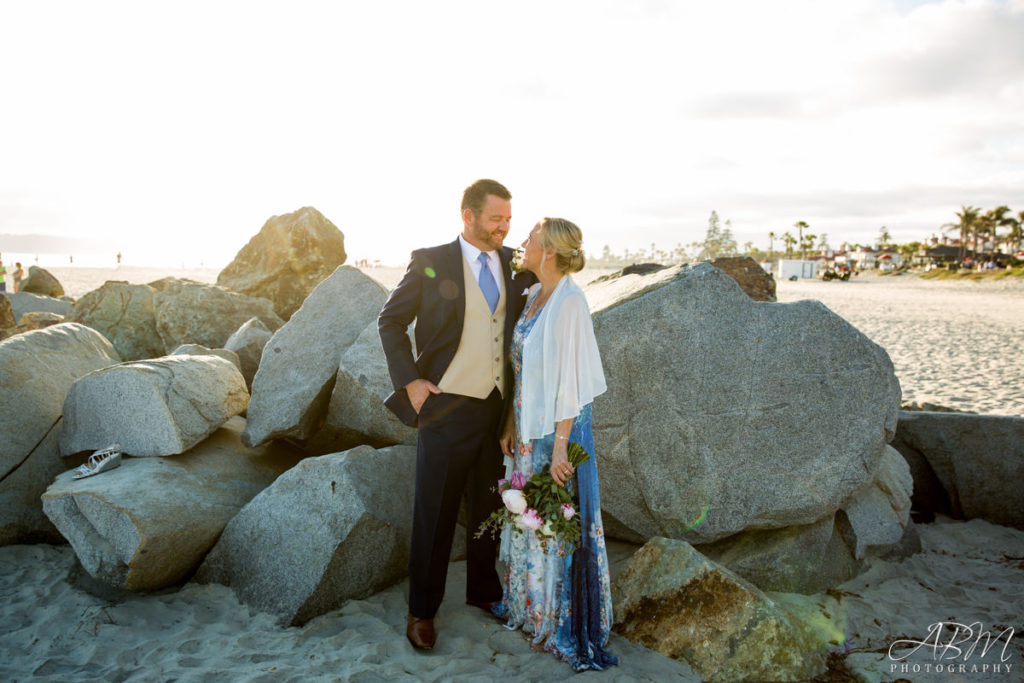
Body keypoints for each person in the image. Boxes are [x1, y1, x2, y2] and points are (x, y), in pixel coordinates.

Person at [378, 179, 537, 651]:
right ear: (467, 216)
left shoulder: (514, 265)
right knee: (436, 513)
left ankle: (483, 593)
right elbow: (390, 320)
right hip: (445, 407)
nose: (504, 228)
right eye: (496, 219)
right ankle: (422, 612)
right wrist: (410, 381)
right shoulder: (431, 261)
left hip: (494, 409)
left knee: (489, 507)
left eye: (508, 219)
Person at [494, 217, 617, 671]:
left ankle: (556, 615)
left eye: (529, 237)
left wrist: (561, 449)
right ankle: (529, 607)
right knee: (528, 513)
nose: (521, 242)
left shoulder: (570, 303)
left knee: (554, 518)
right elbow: (522, 370)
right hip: (527, 428)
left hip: (556, 434)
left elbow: (572, 383)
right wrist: (509, 420)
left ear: (547, 250)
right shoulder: (532, 296)